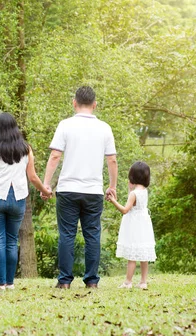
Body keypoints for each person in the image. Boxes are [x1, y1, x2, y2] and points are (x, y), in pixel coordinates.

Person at [43, 86, 118, 289]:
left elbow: (55, 156)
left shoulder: (65, 125)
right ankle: (92, 281)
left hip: (68, 189)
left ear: (74, 103)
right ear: (95, 105)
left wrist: (46, 184)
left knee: (67, 234)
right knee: (92, 234)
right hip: (93, 190)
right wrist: (112, 186)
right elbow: (111, 160)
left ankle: (65, 281)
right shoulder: (105, 128)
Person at [0, 112, 52, 291]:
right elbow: (33, 177)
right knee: (12, 241)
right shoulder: (26, 149)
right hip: (19, 198)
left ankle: (1, 284)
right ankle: (11, 283)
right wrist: (45, 191)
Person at [108, 161, 156, 290]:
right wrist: (131, 188)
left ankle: (128, 281)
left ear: (132, 176)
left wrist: (113, 201)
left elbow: (125, 210)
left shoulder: (133, 194)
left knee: (132, 255)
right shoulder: (144, 191)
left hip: (134, 225)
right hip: (143, 224)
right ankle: (143, 282)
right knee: (143, 254)